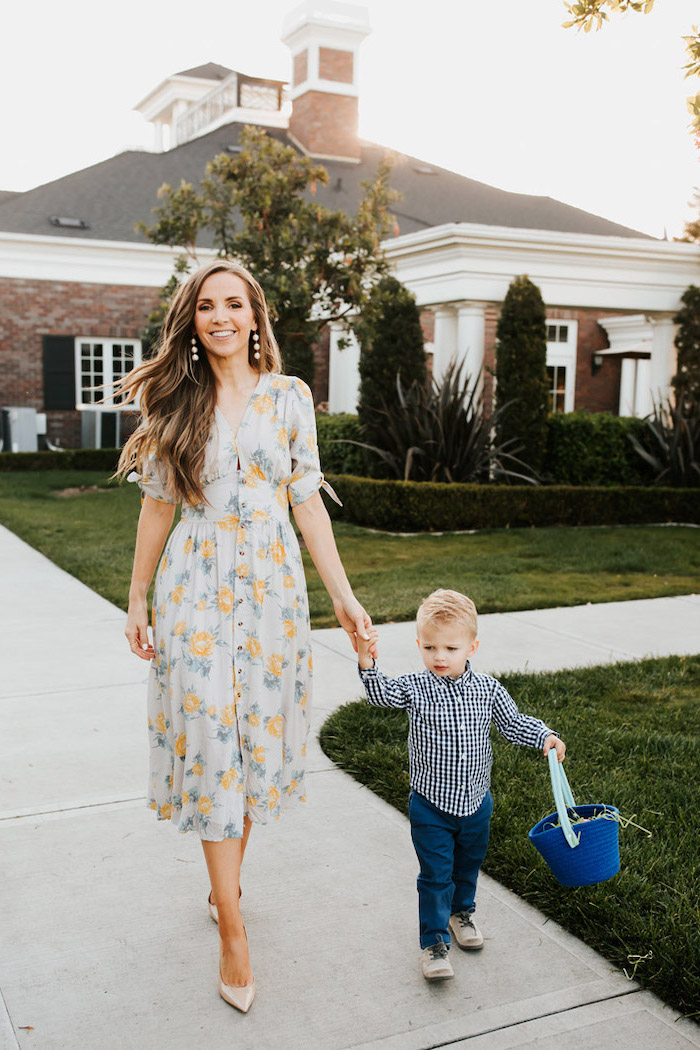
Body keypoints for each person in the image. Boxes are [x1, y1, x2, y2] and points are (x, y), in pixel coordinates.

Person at [116, 260, 371, 1013]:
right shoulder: (175, 398)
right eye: (205, 307)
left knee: (254, 745)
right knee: (210, 740)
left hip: (271, 592)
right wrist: (136, 597)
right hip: (193, 585)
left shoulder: (290, 398)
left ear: (256, 315)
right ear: (191, 322)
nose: (220, 316)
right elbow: (158, 507)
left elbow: (308, 505)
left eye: (234, 304)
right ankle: (232, 925)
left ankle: (222, 883)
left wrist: (346, 598)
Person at [356, 588, 565, 982]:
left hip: (475, 803)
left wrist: (545, 736)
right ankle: (433, 942)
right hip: (431, 805)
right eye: (430, 647)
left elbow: (512, 723)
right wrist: (367, 659)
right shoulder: (416, 687)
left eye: (451, 648)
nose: (439, 657)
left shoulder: (487, 689)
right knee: (436, 874)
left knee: (468, 866)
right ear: (419, 644)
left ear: (472, 646)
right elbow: (381, 695)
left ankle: (461, 913)